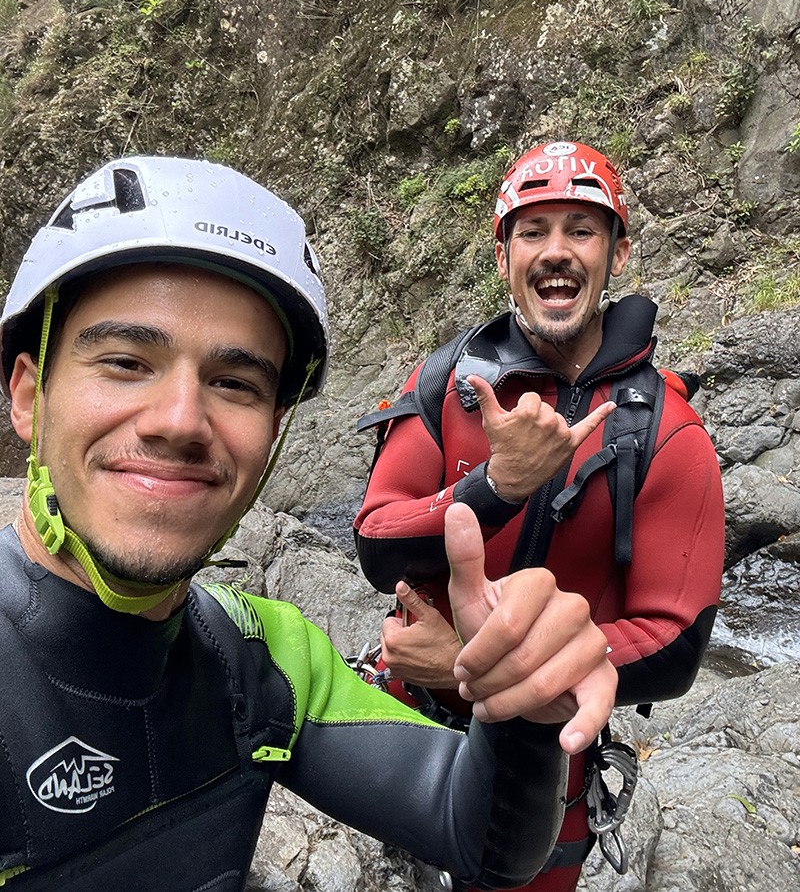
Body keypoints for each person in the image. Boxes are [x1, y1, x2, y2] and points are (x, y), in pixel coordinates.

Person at [0, 155, 617, 892]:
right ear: (30, 397)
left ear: (274, 432)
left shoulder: (264, 660)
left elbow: (479, 838)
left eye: (234, 382)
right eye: (127, 362)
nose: (180, 422)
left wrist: (524, 713)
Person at [354, 141, 726, 892]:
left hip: (544, 759)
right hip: (410, 716)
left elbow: (677, 645)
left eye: (581, 230)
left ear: (617, 255)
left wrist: (471, 658)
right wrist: (498, 486)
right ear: (503, 258)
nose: (556, 251)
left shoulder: (669, 434)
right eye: (533, 231)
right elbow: (376, 545)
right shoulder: (447, 384)